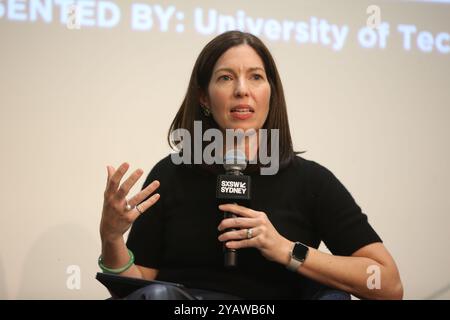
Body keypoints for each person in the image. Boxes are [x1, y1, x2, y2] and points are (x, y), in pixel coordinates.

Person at [99, 31, 403, 300]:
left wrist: (287, 250)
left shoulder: (311, 182)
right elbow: (133, 289)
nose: (242, 89)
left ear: (270, 92)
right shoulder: (172, 174)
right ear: (204, 97)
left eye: (256, 77)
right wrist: (111, 237)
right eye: (226, 77)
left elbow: (387, 284)